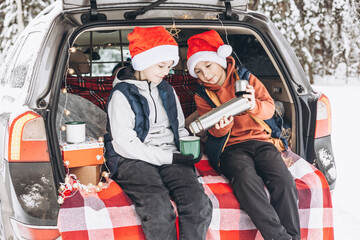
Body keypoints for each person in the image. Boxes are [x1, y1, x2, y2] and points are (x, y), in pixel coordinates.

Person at [187, 30, 300, 240]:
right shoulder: (202, 94)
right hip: (230, 148)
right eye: (199, 71)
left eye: (208, 66)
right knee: (247, 179)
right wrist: (223, 126)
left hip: (260, 141)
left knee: (283, 180)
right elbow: (213, 132)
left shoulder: (246, 78)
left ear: (220, 60)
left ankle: (293, 236)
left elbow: (269, 109)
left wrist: (253, 105)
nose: (205, 75)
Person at [104, 26, 212, 240]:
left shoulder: (167, 90)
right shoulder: (122, 95)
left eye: (169, 66)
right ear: (142, 62)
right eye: (161, 65)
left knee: (198, 204)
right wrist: (169, 157)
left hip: (169, 154)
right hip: (131, 158)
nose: (166, 72)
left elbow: (179, 127)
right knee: (159, 209)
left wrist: (188, 147)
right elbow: (125, 144)